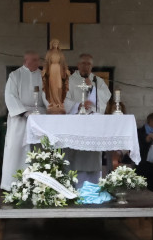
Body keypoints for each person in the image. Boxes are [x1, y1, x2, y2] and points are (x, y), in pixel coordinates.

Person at [64, 54, 112, 186]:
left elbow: (106, 96)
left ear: (92, 66)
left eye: (89, 64)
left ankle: (93, 185)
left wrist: (93, 88)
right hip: (73, 126)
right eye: (83, 64)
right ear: (78, 65)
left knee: (91, 155)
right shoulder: (68, 80)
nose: (86, 66)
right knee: (73, 156)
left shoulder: (97, 81)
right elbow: (63, 99)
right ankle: (72, 185)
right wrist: (78, 105)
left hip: (92, 127)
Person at [1, 51, 46, 189]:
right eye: (34, 60)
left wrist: (49, 110)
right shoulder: (15, 75)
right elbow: (10, 96)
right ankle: (15, 184)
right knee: (17, 150)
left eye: (38, 60)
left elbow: (47, 96)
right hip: (20, 118)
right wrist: (25, 113)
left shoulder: (43, 75)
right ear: (25, 61)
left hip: (40, 118)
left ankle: (39, 185)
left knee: (40, 151)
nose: (37, 63)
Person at [42, 38, 70, 113]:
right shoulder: (49, 53)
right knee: (52, 86)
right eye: (54, 43)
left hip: (59, 70)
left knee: (59, 86)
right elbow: (45, 62)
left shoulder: (60, 53)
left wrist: (66, 69)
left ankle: (59, 102)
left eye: (57, 44)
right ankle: (53, 103)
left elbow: (64, 63)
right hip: (51, 70)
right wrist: (44, 70)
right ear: (52, 44)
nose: (56, 45)